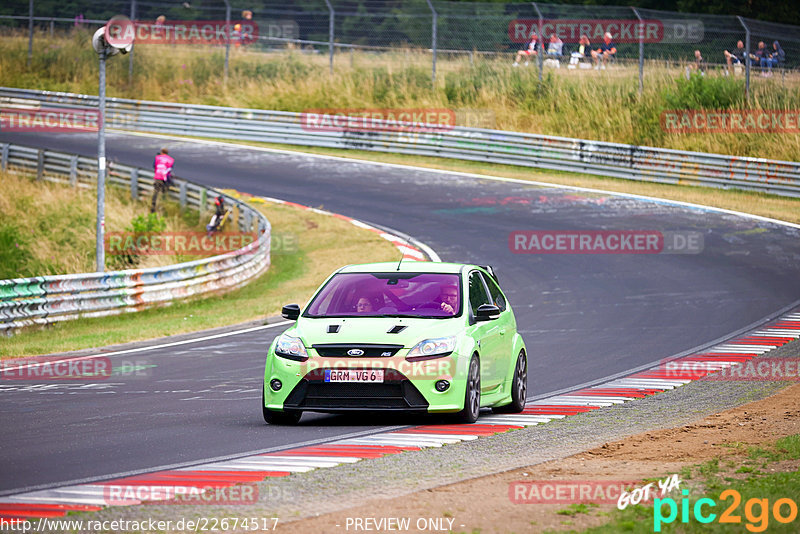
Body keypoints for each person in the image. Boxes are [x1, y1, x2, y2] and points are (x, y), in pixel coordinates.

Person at [150, 148, 174, 213]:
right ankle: (162, 207)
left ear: (161, 152)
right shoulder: (171, 159)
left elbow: (154, 166)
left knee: (156, 192)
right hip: (165, 178)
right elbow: (170, 169)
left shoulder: (157, 158)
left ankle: (153, 207)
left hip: (158, 176)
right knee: (164, 192)